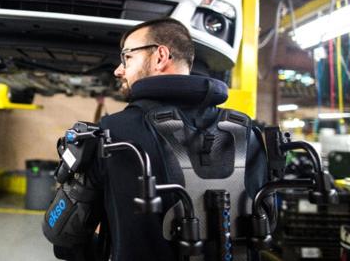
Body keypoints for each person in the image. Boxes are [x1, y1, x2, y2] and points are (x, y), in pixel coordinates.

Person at [47, 17, 269, 261]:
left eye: (127, 57)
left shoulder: (114, 131)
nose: (118, 70)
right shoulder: (246, 131)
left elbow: (64, 237)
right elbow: (267, 222)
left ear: (160, 56)